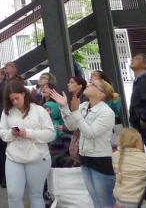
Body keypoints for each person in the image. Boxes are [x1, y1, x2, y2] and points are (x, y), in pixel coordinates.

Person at [50, 78, 117, 207]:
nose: (89, 84)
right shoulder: (84, 106)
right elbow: (71, 126)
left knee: (106, 203)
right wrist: (64, 107)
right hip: (85, 158)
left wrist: (75, 112)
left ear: (101, 93)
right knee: (95, 200)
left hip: (100, 160)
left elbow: (90, 133)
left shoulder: (107, 113)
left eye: (94, 84)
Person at [0, 78, 56, 208]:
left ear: (23, 93)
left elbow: (51, 134)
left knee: (35, 194)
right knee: (13, 195)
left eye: (16, 98)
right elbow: (1, 131)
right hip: (14, 156)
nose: (14, 102)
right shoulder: (7, 111)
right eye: (11, 100)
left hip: (38, 157)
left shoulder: (39, 110)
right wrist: (11, 133)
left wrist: (29, 133)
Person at [112, 127, 146, 208]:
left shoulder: (115, 156)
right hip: (137, 202)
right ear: (137, 143)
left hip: (119, 201)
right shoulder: (145, 159)